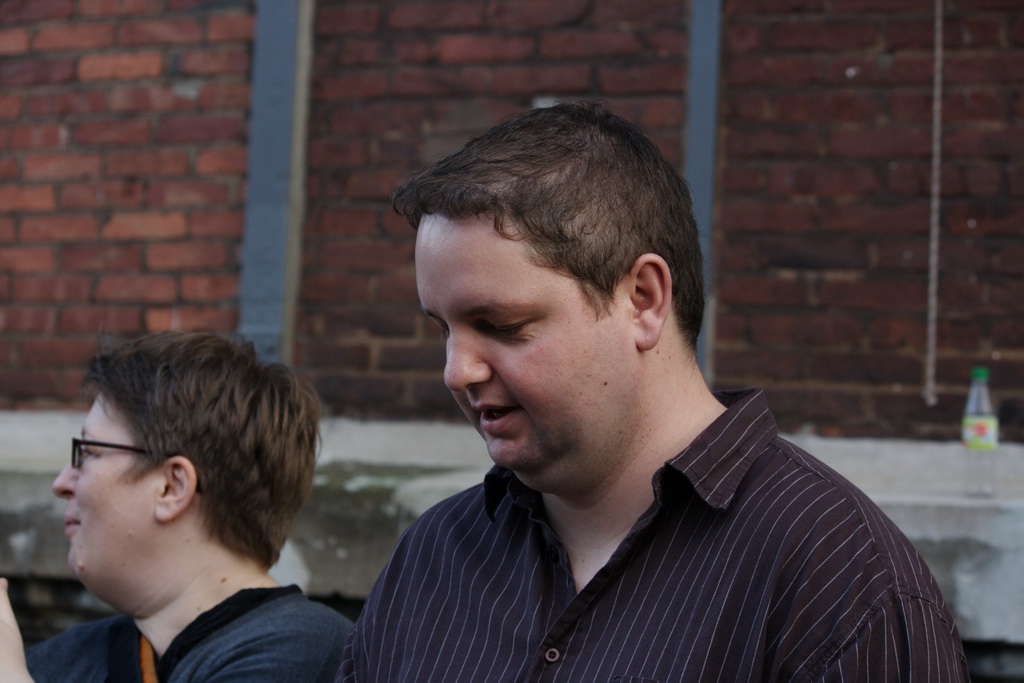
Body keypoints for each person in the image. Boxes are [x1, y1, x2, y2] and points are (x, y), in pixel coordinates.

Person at [337, 101, 969, 681]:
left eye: (500, 325)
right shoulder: (434, 558)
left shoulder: (839, 584)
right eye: (443, 329)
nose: (457, 371)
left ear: (642, 299)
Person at [0, 331, 351, 682]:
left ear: (172, 487)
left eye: (89, 453)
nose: (61, 483)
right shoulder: (69, 659)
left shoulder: (309, 655)